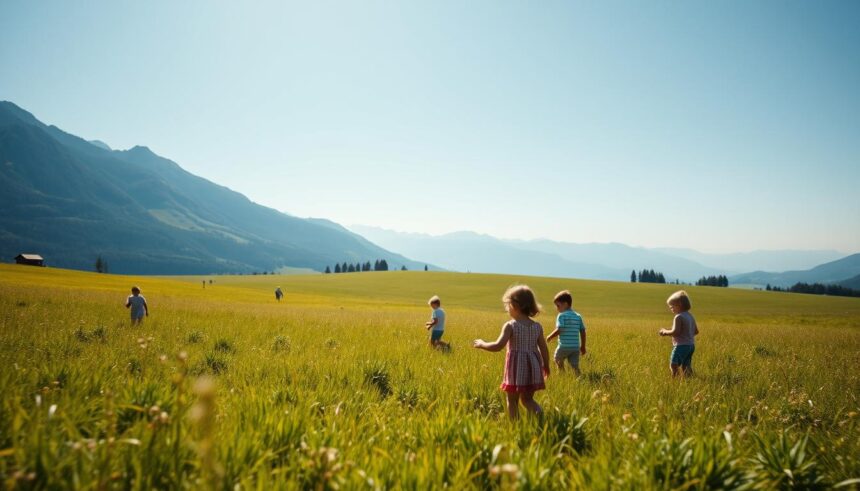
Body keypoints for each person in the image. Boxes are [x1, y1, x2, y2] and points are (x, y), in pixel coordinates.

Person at [473, 285, 550, 420]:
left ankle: (515, 425)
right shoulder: (537, 326)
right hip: (533, 367)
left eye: (508, 305)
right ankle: (540, 415)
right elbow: (543, 348)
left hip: (516, 369)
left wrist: (482, 344)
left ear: (514, 305)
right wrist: (546, 365)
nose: (507, 308)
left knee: (512, 400)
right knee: (527, 400)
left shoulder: (511, 325)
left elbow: (498, 346)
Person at [546, 290, 587, 376]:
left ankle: (561, 374)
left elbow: (560, 329)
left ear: (565, 304)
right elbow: (583, 331)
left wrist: (550, 336)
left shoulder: (562, 315)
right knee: (574, 365)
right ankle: (579, 378)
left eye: (558, 305)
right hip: (575, 347)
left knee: (557, 358)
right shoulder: (578, 316)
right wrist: (582, 346)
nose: (557, 308)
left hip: (564, 346)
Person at [659, 290, 699, 377]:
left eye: (672, 306)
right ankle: (690, 380)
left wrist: (665, 332)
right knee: (686, 365)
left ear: (679, 304)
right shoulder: (690, 316)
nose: (671, 309)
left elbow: (675, 332)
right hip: (691, 345)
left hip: (681, 346)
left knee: (674, 364)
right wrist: (687, 335)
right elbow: (696, 331)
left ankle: (675, 382)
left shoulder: (678, 317)